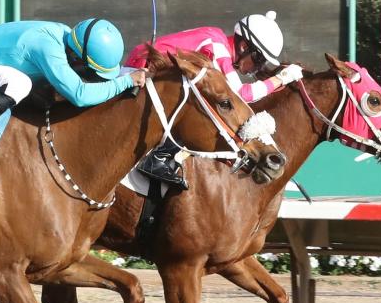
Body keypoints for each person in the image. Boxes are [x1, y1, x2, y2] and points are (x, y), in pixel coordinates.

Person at [0, 18, 146, 174]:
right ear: (77, 58)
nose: (91, 77)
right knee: (20, 83)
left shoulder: (66, 38)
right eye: (90, 72)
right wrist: (127, 81)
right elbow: (79, 94)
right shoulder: (47, 46)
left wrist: (127, 73)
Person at [124, 11, 304, 189]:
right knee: (208, 112)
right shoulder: (218, 45)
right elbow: (241, 94)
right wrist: (282, 78)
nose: (258, 68)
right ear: (243, 47)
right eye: (259, 60)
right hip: (141, 70)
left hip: (155, 76)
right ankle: (157, 158)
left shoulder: (218, 43)